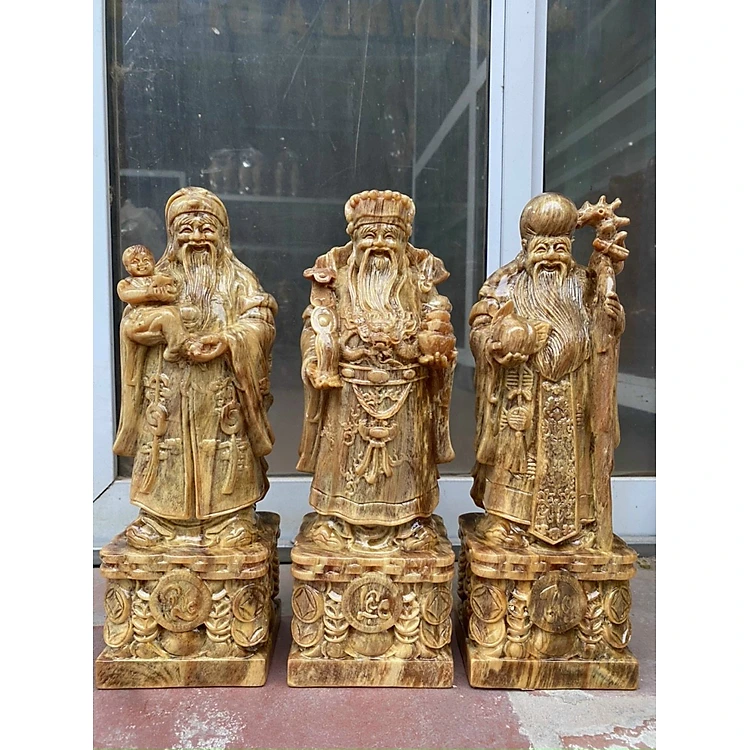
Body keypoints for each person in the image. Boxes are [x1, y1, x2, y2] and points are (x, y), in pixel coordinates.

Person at [113, 187, 277, 549]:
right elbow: (132, 323)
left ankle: (230, 517)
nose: (197, 238)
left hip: (219, 390)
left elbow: (260, 320)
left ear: (222, 234)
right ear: (173, 236)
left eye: (207, 229)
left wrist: (229, 340)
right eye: (186, 230)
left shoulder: (238, 279)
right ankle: (159, 520)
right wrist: (151, 331)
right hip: (167, 391)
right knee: (164, 452)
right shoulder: (155, 279)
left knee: (225, 453)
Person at [297, 189, 456, 546]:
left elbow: (441, 332)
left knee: (406, 469)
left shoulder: (420, 286)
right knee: (343, 467)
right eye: (369, 236)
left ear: (404, 244)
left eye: (390, 236)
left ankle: (409, 523)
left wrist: (438, 352)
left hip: (406, 397)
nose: (380, 245)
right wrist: (318, 357)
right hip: (348, 396)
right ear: (354, 241)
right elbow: (314, 330)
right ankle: (337, 521)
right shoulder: (335, 284)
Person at [469, 192, 626, 547]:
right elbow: (480, 327)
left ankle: (581, 525)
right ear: (526, 247)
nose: (552, 257)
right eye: (542, 248)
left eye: (560, 248)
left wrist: (613, 321)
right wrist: (496, 344)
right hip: (522, 391)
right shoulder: (506, 285)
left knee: (573, 463)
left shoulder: (585, 283)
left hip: (575, 393)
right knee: (516, 458)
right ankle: (507, 521)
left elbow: (604, 331)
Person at [117, 244, 188, 362]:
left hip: (156, 315)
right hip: (139, 319)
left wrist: (165, 295)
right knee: (167, 315)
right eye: (135, 262)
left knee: (174, 312)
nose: (141, 264)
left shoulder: (159, 279)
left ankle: (181, 342)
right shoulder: (127, 283)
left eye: (146, 260)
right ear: (127, 267)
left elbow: (172, 294)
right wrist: (148, 294)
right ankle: (175, 348)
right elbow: (125, 295)